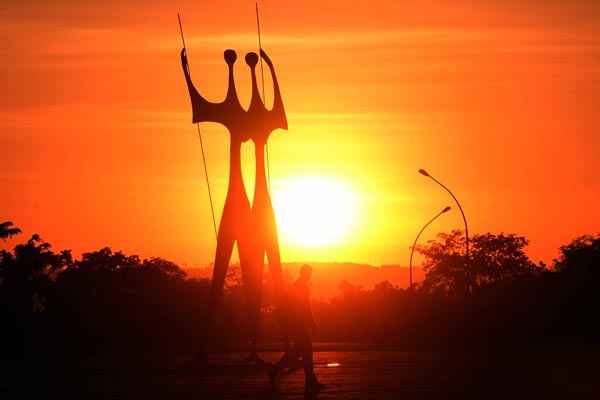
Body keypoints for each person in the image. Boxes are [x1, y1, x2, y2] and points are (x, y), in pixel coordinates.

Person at [269, 264, 325, 393]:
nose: (309, 275)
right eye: (308, 273)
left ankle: (310, 381)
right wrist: (313, 323)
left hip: (297, 325)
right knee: (306, 353)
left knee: (299, 353)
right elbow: (305, 308)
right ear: (305, 273)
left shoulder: (298, 285)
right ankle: (310, 382)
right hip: (299, 325)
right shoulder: (301, 287)